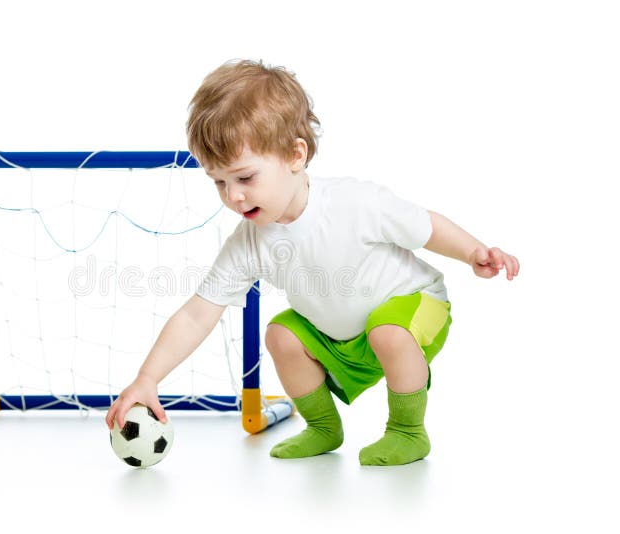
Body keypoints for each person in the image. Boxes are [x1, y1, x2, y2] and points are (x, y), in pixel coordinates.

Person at [105, 59, 519, 466]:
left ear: (294, 155)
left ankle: (408, 431)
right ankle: (323, 427)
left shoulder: (354, 203)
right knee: (281, 336)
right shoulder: (249, 242)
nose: (233, 196)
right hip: (343, 336)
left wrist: (474, 252)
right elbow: (198, 314)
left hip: (415, 309)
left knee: (389, 332)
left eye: (245, 178)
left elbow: (425, 226)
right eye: (219, 182)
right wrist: (148, 378)